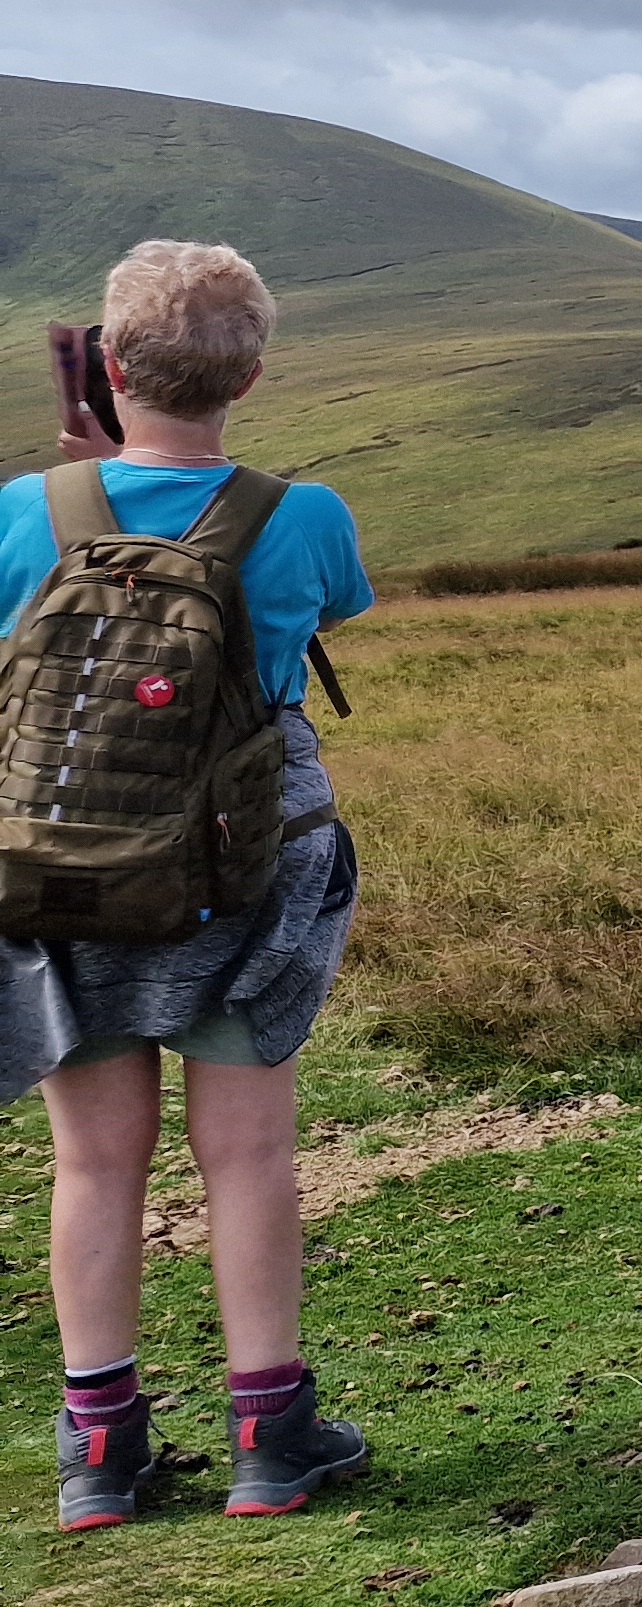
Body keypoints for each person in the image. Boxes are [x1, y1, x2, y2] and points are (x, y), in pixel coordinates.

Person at [3, 241, 374, 1527]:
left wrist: (79, 483)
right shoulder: (304, 514)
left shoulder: (25, 508)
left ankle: (100, 1449)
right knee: (249, 1152)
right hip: (242, 868)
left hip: (62, 871)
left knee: (93, 1161)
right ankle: (271, 1433)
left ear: (108, 366)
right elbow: (329, 613)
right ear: (251, 376)